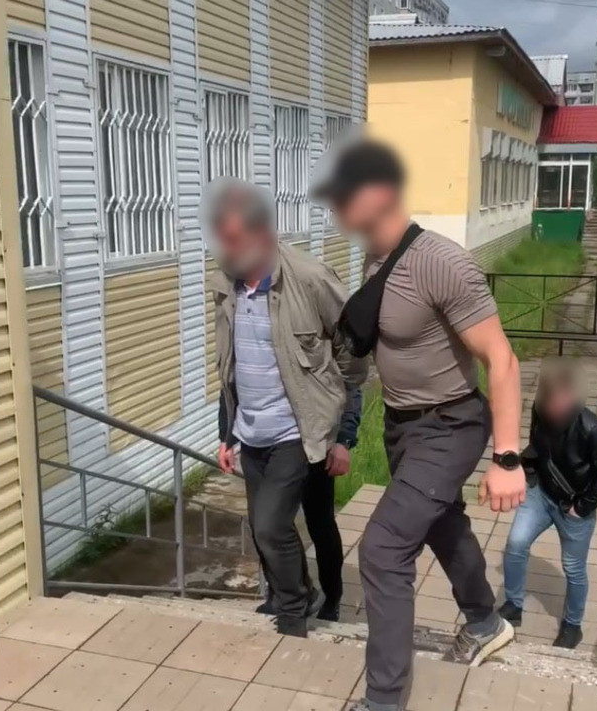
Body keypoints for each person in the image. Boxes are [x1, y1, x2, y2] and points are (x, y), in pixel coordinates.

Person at [311, 139, 524, 711]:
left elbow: (502, 360)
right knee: (441, 523)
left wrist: (507, 458)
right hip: (403, 427)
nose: (335, 207)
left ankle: (383, 702)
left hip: (450, 425)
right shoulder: (377, 259)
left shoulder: (440, 262)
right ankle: (485, 621)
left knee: (383, 549)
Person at [202, 178, 368, 638]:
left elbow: (352, 352)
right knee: (265, 527)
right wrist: (226, 434)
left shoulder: (311, 279)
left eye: (237, 240)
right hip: (252, 431)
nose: (229, 250)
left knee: (301, 521)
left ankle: (312, 604)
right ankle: (285, 594)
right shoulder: (227, 284)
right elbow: (230, 366)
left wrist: (342, 434)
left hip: (302, 429)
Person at [499, 358, 597, 649]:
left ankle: (572, 625)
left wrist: (582, 507)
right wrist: (530, 475)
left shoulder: (593, 428)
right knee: (516, 544)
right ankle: (513, 605)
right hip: (541, 494)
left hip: (574, 506)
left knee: (574, 568)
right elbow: (536, 443)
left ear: (572, 396)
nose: (553, 407)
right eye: (549, 398)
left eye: (560, 399)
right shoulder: (540, 410)